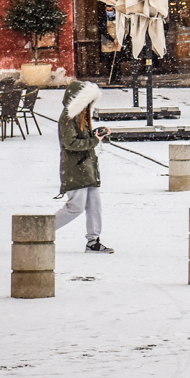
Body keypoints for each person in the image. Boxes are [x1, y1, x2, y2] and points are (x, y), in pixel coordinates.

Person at [56, 80, 113, 253]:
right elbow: (70, 143)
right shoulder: (68, 117)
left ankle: (93, 241)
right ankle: (42, 228)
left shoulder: (81, 115)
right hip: (76, 168)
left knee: (95, 205)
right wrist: (95, 140)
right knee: (75, 207)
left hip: (88, 167)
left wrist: (98, 135)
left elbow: (82, 139)